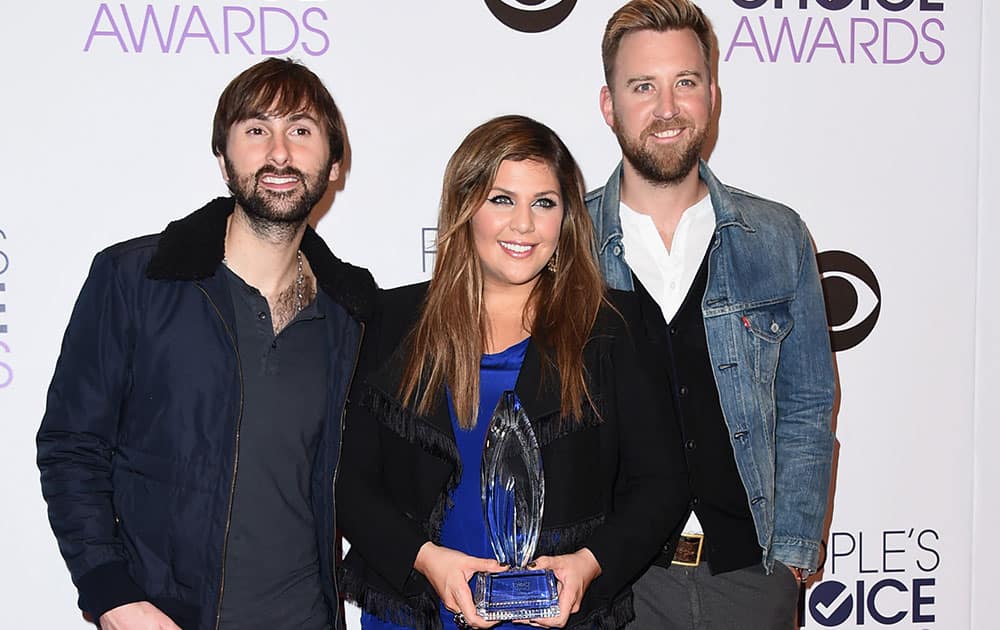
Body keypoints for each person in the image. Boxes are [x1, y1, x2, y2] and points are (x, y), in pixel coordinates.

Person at [36, 58, 376, 630]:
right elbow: (72, 446)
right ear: (223, 160)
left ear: (334, 164)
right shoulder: (135, 279)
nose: (279, 153)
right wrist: (110, 593)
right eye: (255, 130)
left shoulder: (355, 313)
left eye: (300, 130)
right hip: (168, 618)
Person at [337, 115, 688, 630]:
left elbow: (663, 486)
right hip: (417, 611)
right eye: (502, 199)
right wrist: (427, 559)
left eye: (543, 203)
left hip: (559, 618)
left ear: (566, 218)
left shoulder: (615, 328)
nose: (524, 225)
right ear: (465, 208)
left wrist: (588, 566)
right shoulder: (393, 322)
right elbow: (348, 482)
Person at [587, 1, 837, 628]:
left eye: (685, 83)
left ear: (712, 96)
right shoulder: (567, 242)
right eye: (642, 86)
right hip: (612, 587)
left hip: (750, 584)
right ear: (609, 105)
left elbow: (808, 403)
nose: (666, 108)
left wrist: (792, 558)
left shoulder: (776, 237)